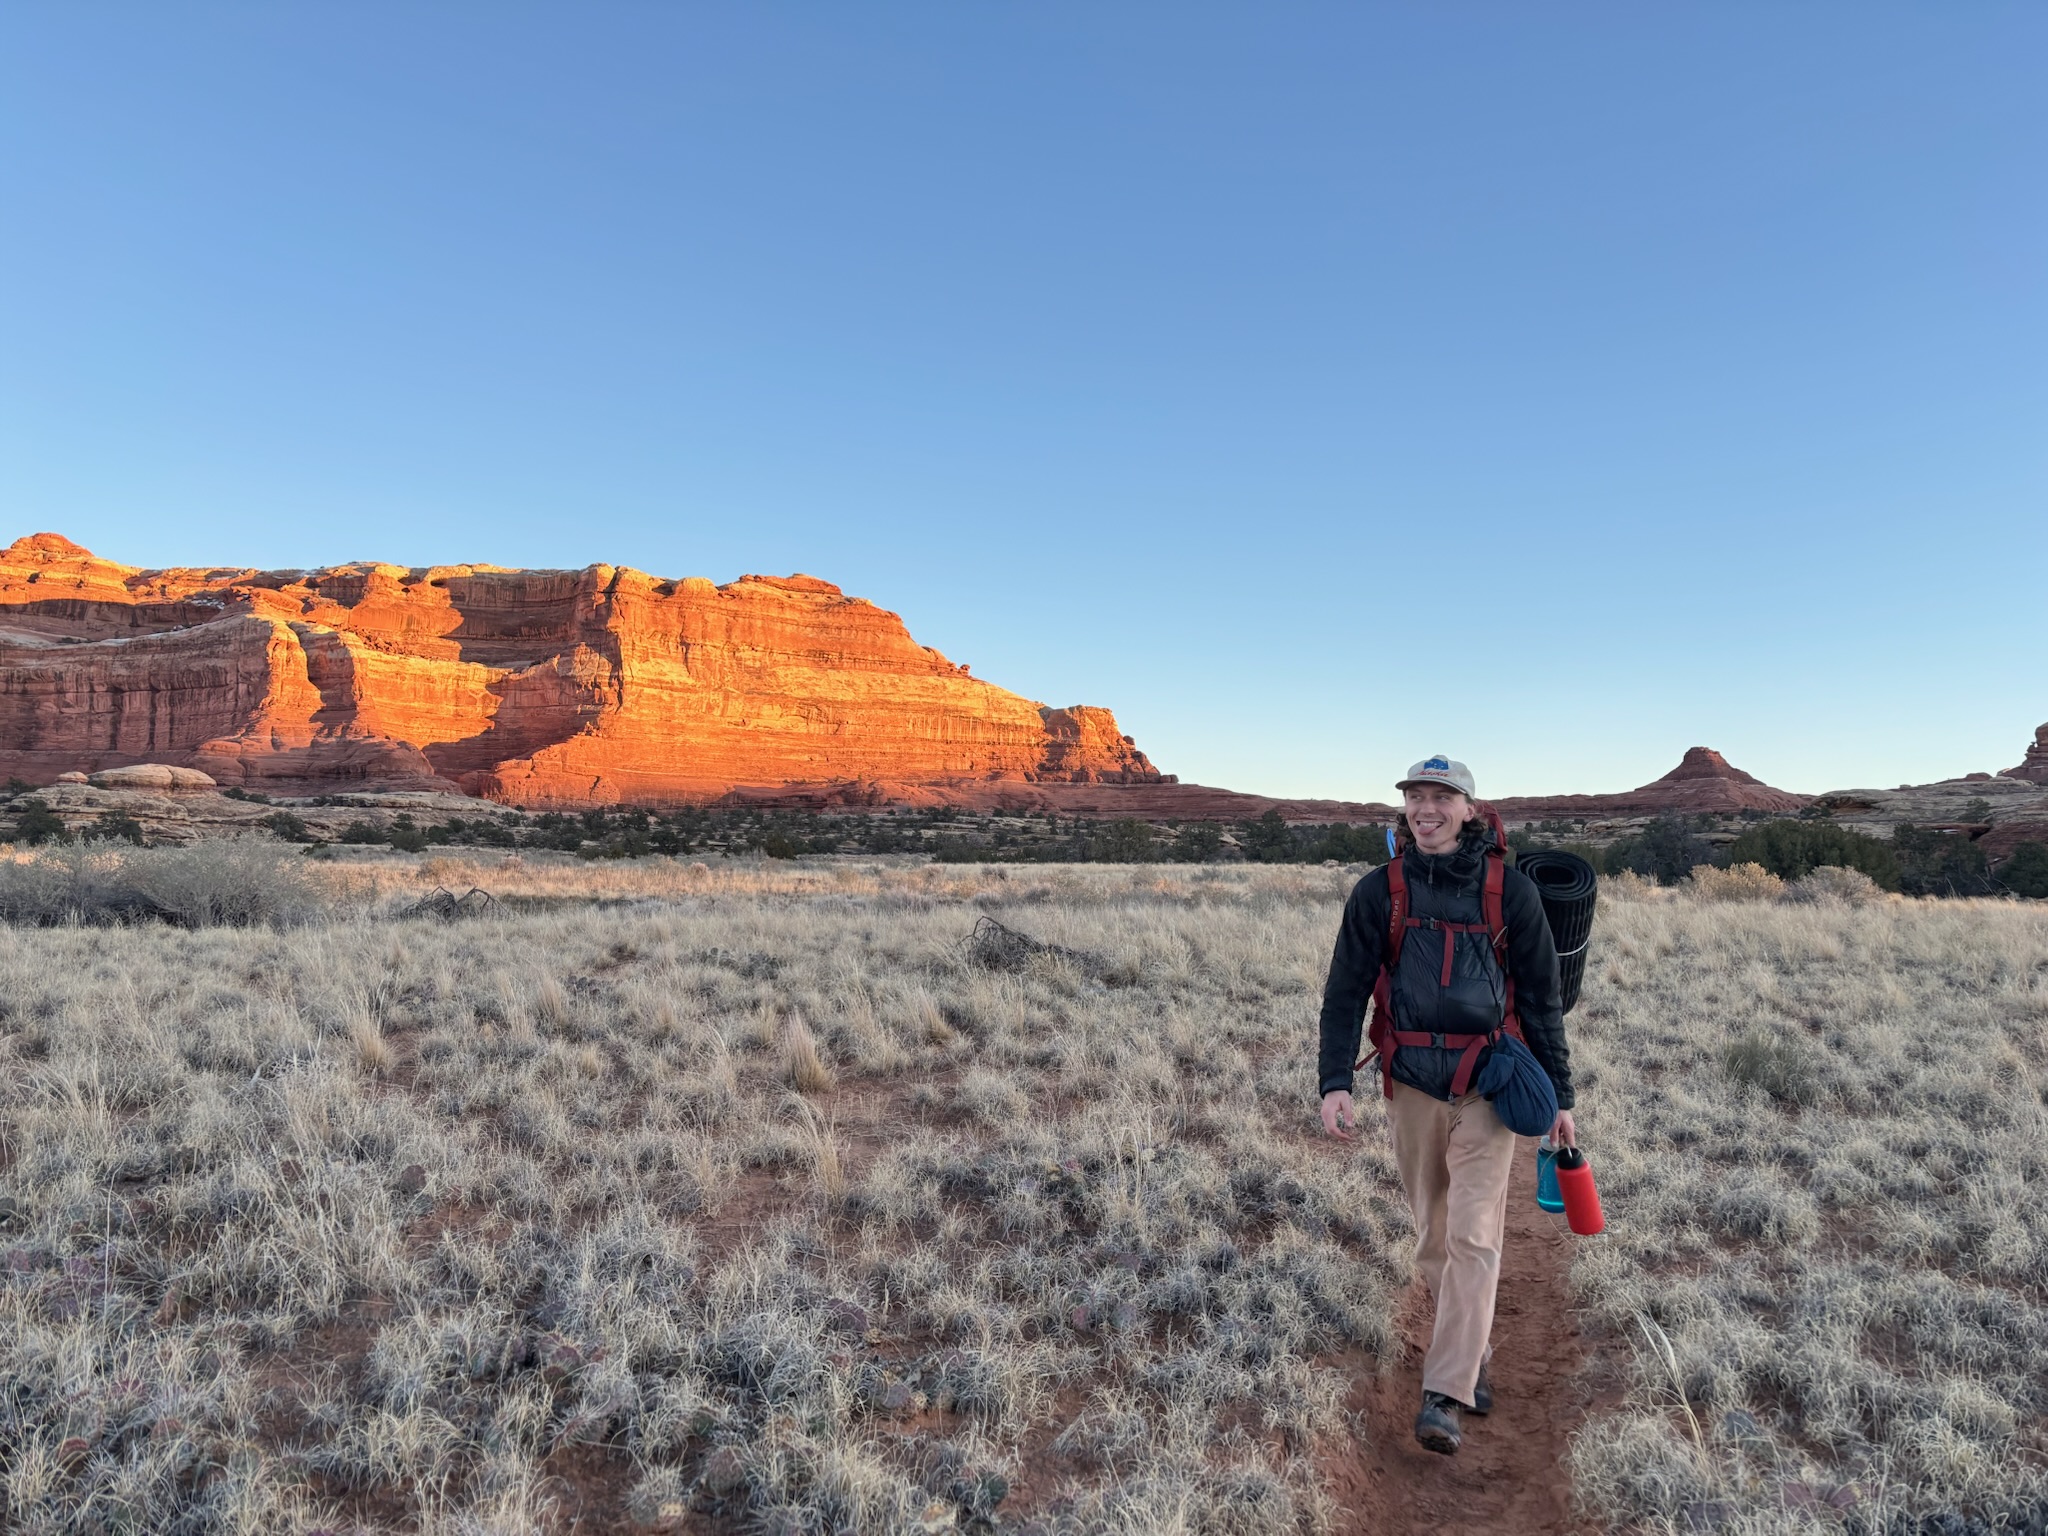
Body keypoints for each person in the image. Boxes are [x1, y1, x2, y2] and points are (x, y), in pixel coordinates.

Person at [1316, 754, 1576, 1456]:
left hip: (1489, 1081)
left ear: (1469, 809)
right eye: (1415, 797)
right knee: (1434, 1236)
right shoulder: (1381, 890)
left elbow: (1543, 1000)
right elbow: (1344, 991)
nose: (1426, 808)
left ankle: (1444, 1393)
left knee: (1474, 1235)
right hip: (1412, 1085)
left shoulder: (1508, 891)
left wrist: (1562, 1097)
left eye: (1441, 797)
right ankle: (1475, 1347)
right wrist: (1334, 1082)